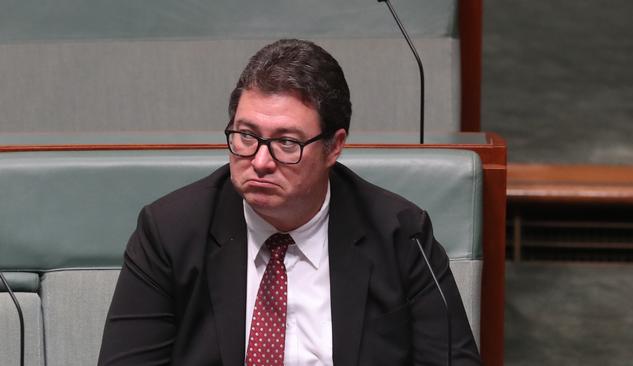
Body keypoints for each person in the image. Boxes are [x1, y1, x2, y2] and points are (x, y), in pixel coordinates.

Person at [98, 39, 481, 366]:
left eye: (286, 143)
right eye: (246, 136)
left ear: (334, 147)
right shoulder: (170, 232)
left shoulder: (401, 234)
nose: (260, 162)